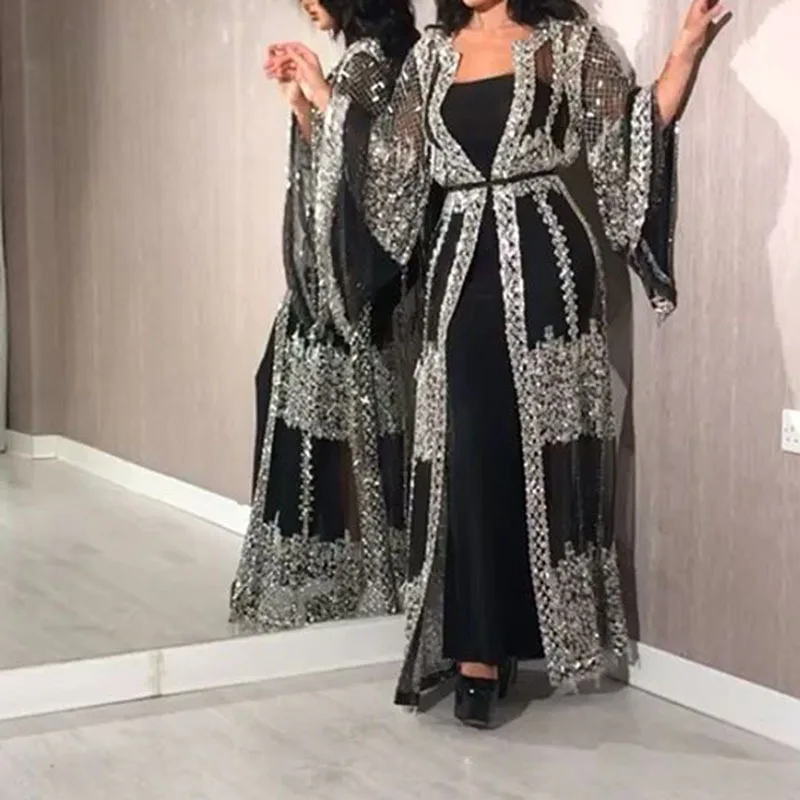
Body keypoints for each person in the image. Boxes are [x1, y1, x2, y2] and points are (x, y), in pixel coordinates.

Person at [281, 0, 729, 728]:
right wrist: (322, 99)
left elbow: (627, 136)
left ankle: (527, 636)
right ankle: (476, 648)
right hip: (459, 266)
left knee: (534, 449)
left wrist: (683, 53)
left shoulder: (567, 45)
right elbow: (388, 171)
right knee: (466, 446)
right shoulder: (431, 57)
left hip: (550, 265)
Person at [229, 0, 420, 633]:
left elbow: (389, 177)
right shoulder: (364, 61)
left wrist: (323, 96)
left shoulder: (385, 63)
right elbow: (332, 174)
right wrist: (303, 105)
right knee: (298, 401)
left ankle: (349, 578)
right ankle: (336, 576)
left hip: (364, 295)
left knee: (356, 429)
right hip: (330, 292)